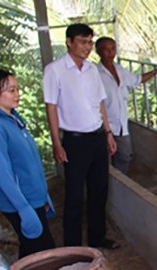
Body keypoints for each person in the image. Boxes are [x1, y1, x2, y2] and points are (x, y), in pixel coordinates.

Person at [43, 23, 119, 249]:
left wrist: (108, 133)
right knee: (74, 196)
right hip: (75, 141)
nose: (87, 47)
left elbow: (100, 103)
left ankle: (97, 237)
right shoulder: (55, 70)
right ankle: (73, 247)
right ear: (69, 42)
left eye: (89, 42)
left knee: (99, 191)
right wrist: (57, 143)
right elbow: (51, 107)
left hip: (97, 137)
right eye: (83, 42)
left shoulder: (92, 70)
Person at [0, 69, 56, 258]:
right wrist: (24, 208)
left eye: (17, 89)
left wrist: (42, 195)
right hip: (21, 201)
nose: (17, 94)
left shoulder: (13, 119)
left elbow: (28, 161)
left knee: (33, 253)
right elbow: (2, 174)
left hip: (33, 198)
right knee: (44, 255)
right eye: (11, 90)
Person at [95, 36, 157, 174]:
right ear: (98, 52)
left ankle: (120, 184)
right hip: (103, 125)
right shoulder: (96, 73)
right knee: (104, 159)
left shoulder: (119, 69)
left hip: (121, 124)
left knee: (125, 155)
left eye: (113, 48)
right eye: (106, 49)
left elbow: (137, 80)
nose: (110, 53)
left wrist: (156, 71)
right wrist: (106, 129)